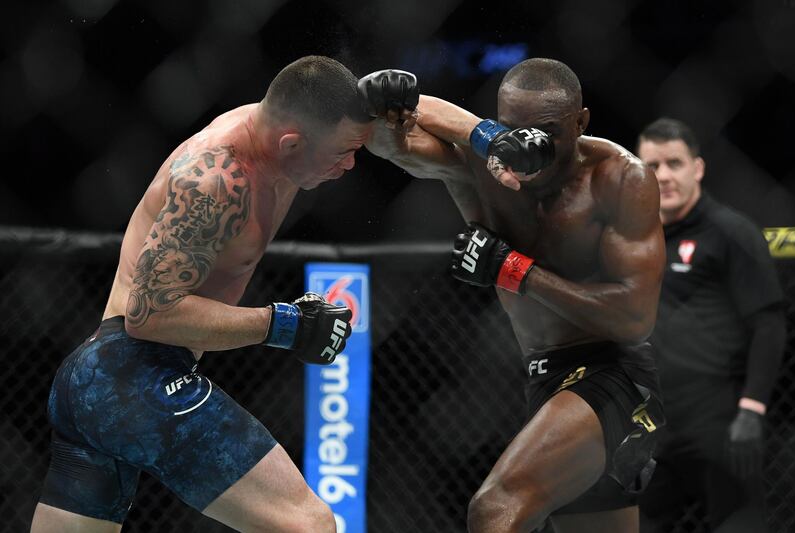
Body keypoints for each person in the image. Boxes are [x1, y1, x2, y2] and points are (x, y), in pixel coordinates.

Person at [29, 55, 373, 533]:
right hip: (136, 374)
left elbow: (359, 127)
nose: (351, 165)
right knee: (309, 525)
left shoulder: (284, 139)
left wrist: (397, 105)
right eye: (344, 152)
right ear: (293, 143)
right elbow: (147, 315)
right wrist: (284, 325)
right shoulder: (215, 180)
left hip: (100, 383)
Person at [362, 59, 666, 532]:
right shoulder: (487, 167)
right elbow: (390, 145)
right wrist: (379, 100)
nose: (529, 151)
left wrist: (516, 270)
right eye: (513, 133)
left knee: (495, 508)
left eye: (544, 134)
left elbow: (634, 318)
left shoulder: (619, 178)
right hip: (544, 379)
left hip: (615, 377)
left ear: (580, 122)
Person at [634, 118, 786, 533]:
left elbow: (769, 324)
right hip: (652, 418)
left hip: (719, 415)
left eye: (674, 163)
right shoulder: (632, 238)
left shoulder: (731, 232)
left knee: (738, 522)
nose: (663, 175)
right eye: (652, 165)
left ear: (697, 168)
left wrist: (752, 409)